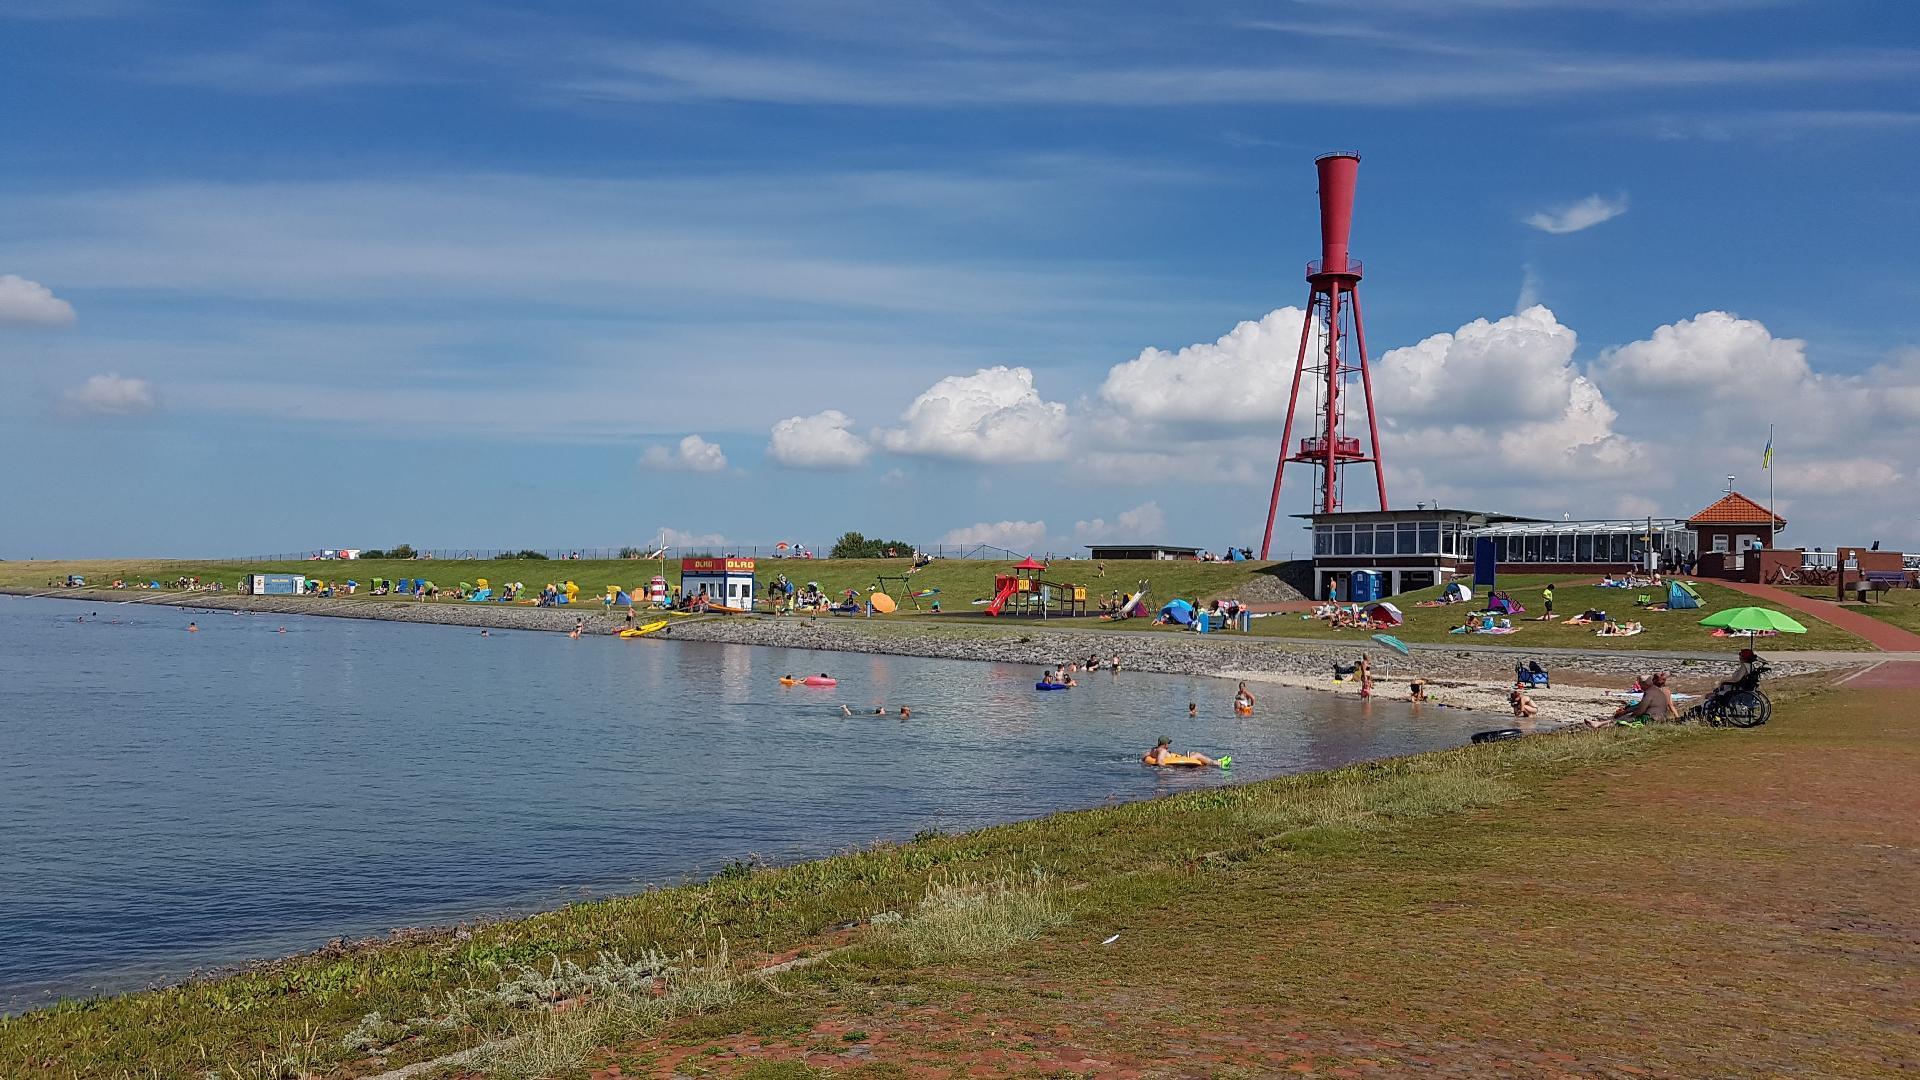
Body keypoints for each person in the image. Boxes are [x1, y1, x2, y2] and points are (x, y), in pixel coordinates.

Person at [1613, 672, 1678, 724]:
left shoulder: (1649, 692)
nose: (1640, 687)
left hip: (1652, 718)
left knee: (1621, 719)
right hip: (1662, 717)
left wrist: (1629, 715)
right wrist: (1625, 711)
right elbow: (1671, 706)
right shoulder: (1661, 691)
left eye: (1640, 684)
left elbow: (1640, 710)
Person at [1142, 737, 1221, 768]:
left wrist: (1145, 760)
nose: (1168, 745)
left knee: (1192, 753)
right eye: (1168, 743)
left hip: (1175, 759)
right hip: (1176, 762)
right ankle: (1215, 763)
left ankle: (1212, 762)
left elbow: (1144, 755)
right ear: (1165, 744)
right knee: (1197, 755)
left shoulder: (1154, 750)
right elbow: (1159, 762)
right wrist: (1169, 768)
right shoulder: (1163, 751)